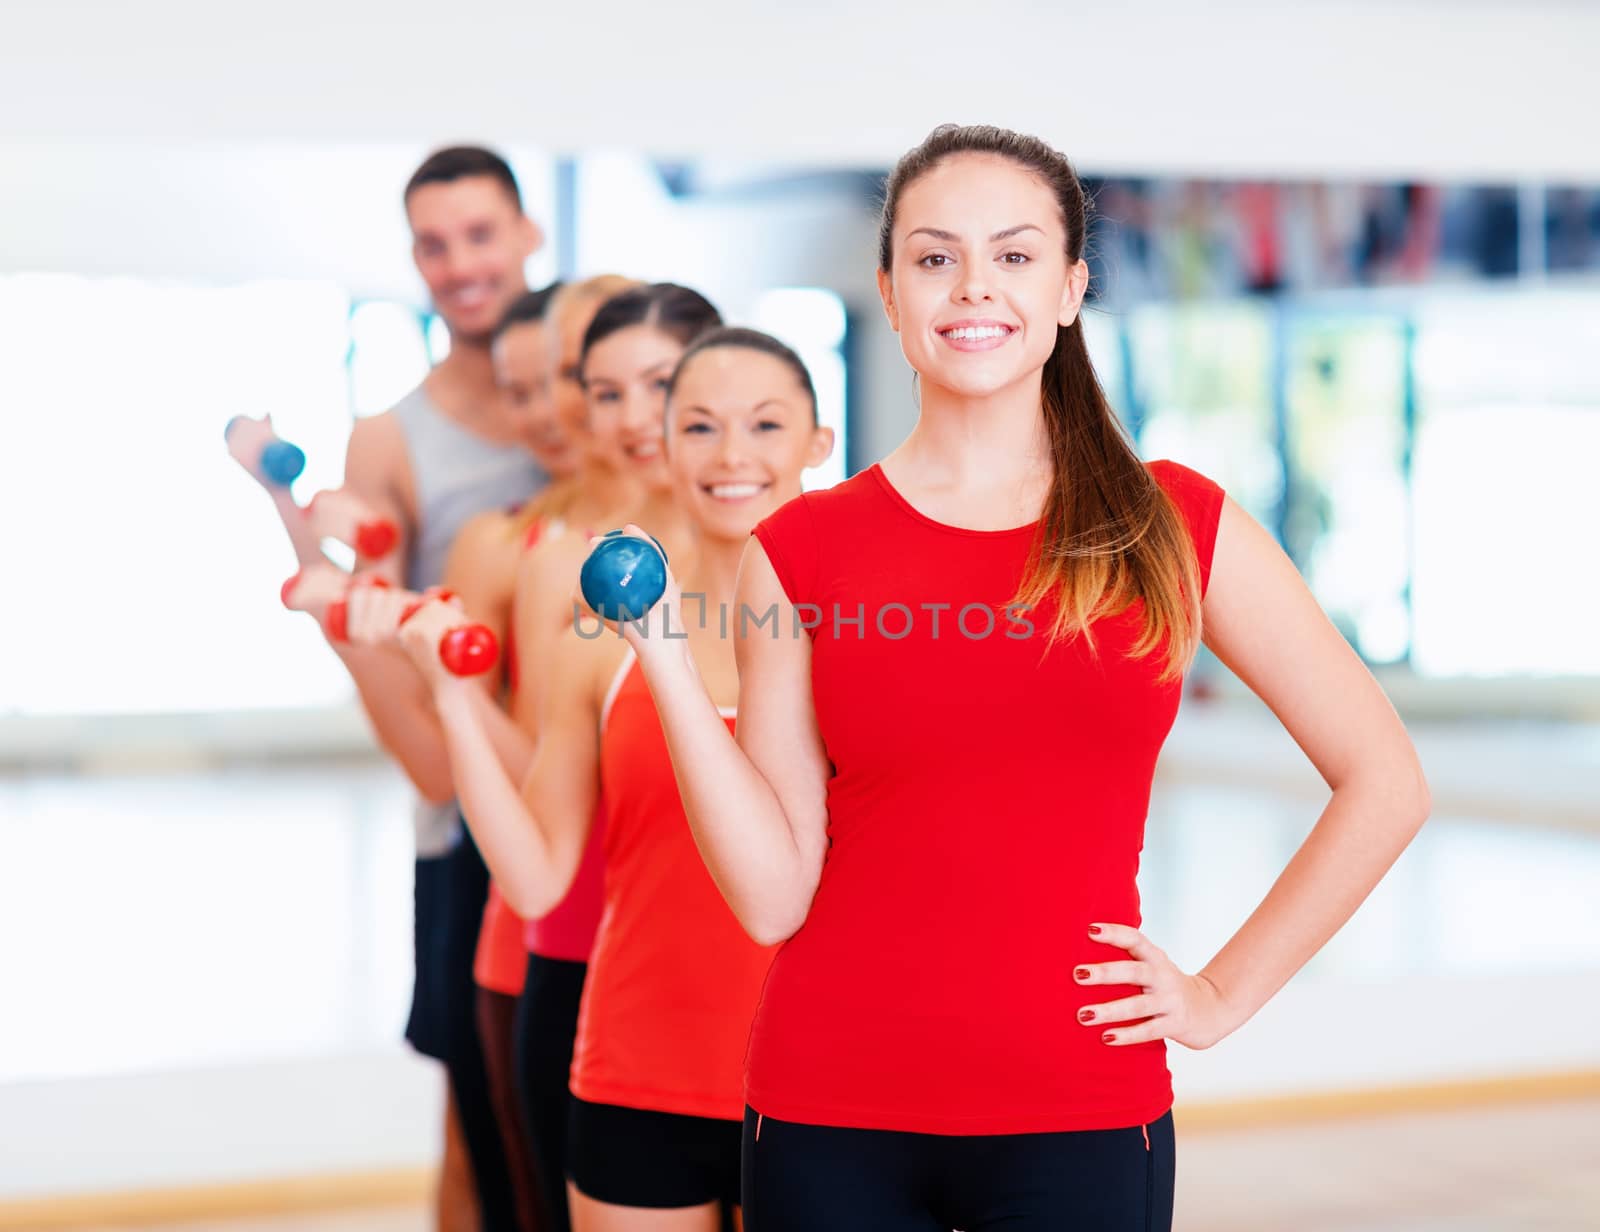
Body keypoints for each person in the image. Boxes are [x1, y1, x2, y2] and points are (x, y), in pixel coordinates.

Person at [614, 124, 1432, 1231]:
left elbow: (1384, 778)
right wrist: (662, 654)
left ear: (1069, 287)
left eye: (1013, 254)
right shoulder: (800, 548)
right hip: (828, 1104)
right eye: (934, 256)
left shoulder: (1173, 522)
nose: (971, 288)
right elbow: (772, 890)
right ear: (890, 294)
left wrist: (1219, 993)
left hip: (1082, 1108)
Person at [402, 300, 836, 1232]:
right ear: (662, 448)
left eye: (765, 426)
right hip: (637, 1071)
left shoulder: (861, 639)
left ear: (817, 440)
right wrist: (451, 697)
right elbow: (534, 873)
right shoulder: (603, 641)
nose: (731, 457)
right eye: (700, 429)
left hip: (826, 1084)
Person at [232, 144, 547, 1232]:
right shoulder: (391, 437)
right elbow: (368, 628)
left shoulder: (594, 398)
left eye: (479, 234)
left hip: (609, 809)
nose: (460, 264)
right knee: (481, 1120)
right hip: (467, 816)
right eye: (433, 243)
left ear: (527, 236)